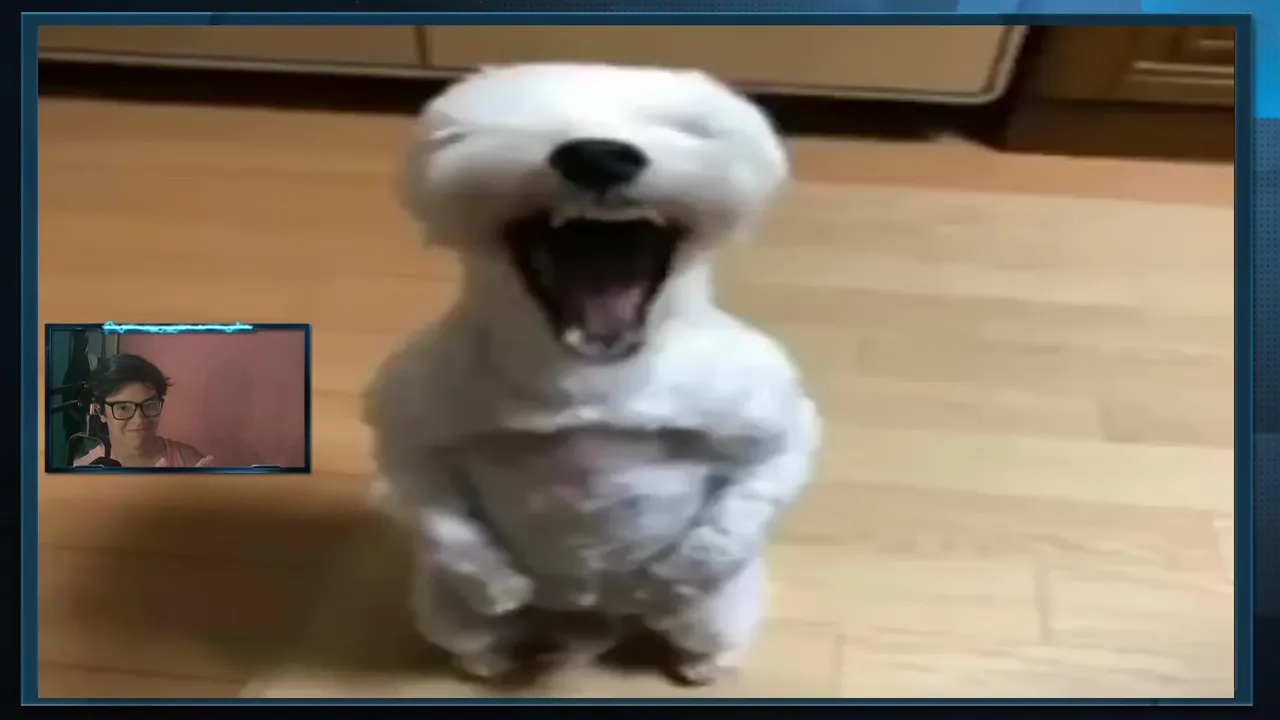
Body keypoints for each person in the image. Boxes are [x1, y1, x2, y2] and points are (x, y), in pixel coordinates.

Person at [73, 353, 213, 468]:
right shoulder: (83, 469)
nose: (139, 420)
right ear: (101, 411)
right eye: (123, 407)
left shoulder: (189, 461)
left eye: (149, 405)